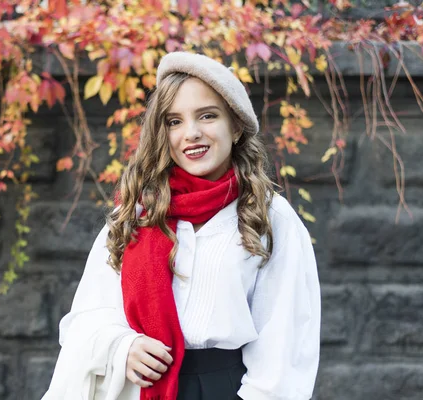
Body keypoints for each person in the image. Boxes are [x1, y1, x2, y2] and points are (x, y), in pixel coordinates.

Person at [42, 52, 321, 400]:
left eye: (207, 116)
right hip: (140, 389)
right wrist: (121, 347)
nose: (190, 134)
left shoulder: (269, 218)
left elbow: (285, 342)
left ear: (235, 126)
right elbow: (84, 318)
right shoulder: (135, 214)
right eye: (174, 121)